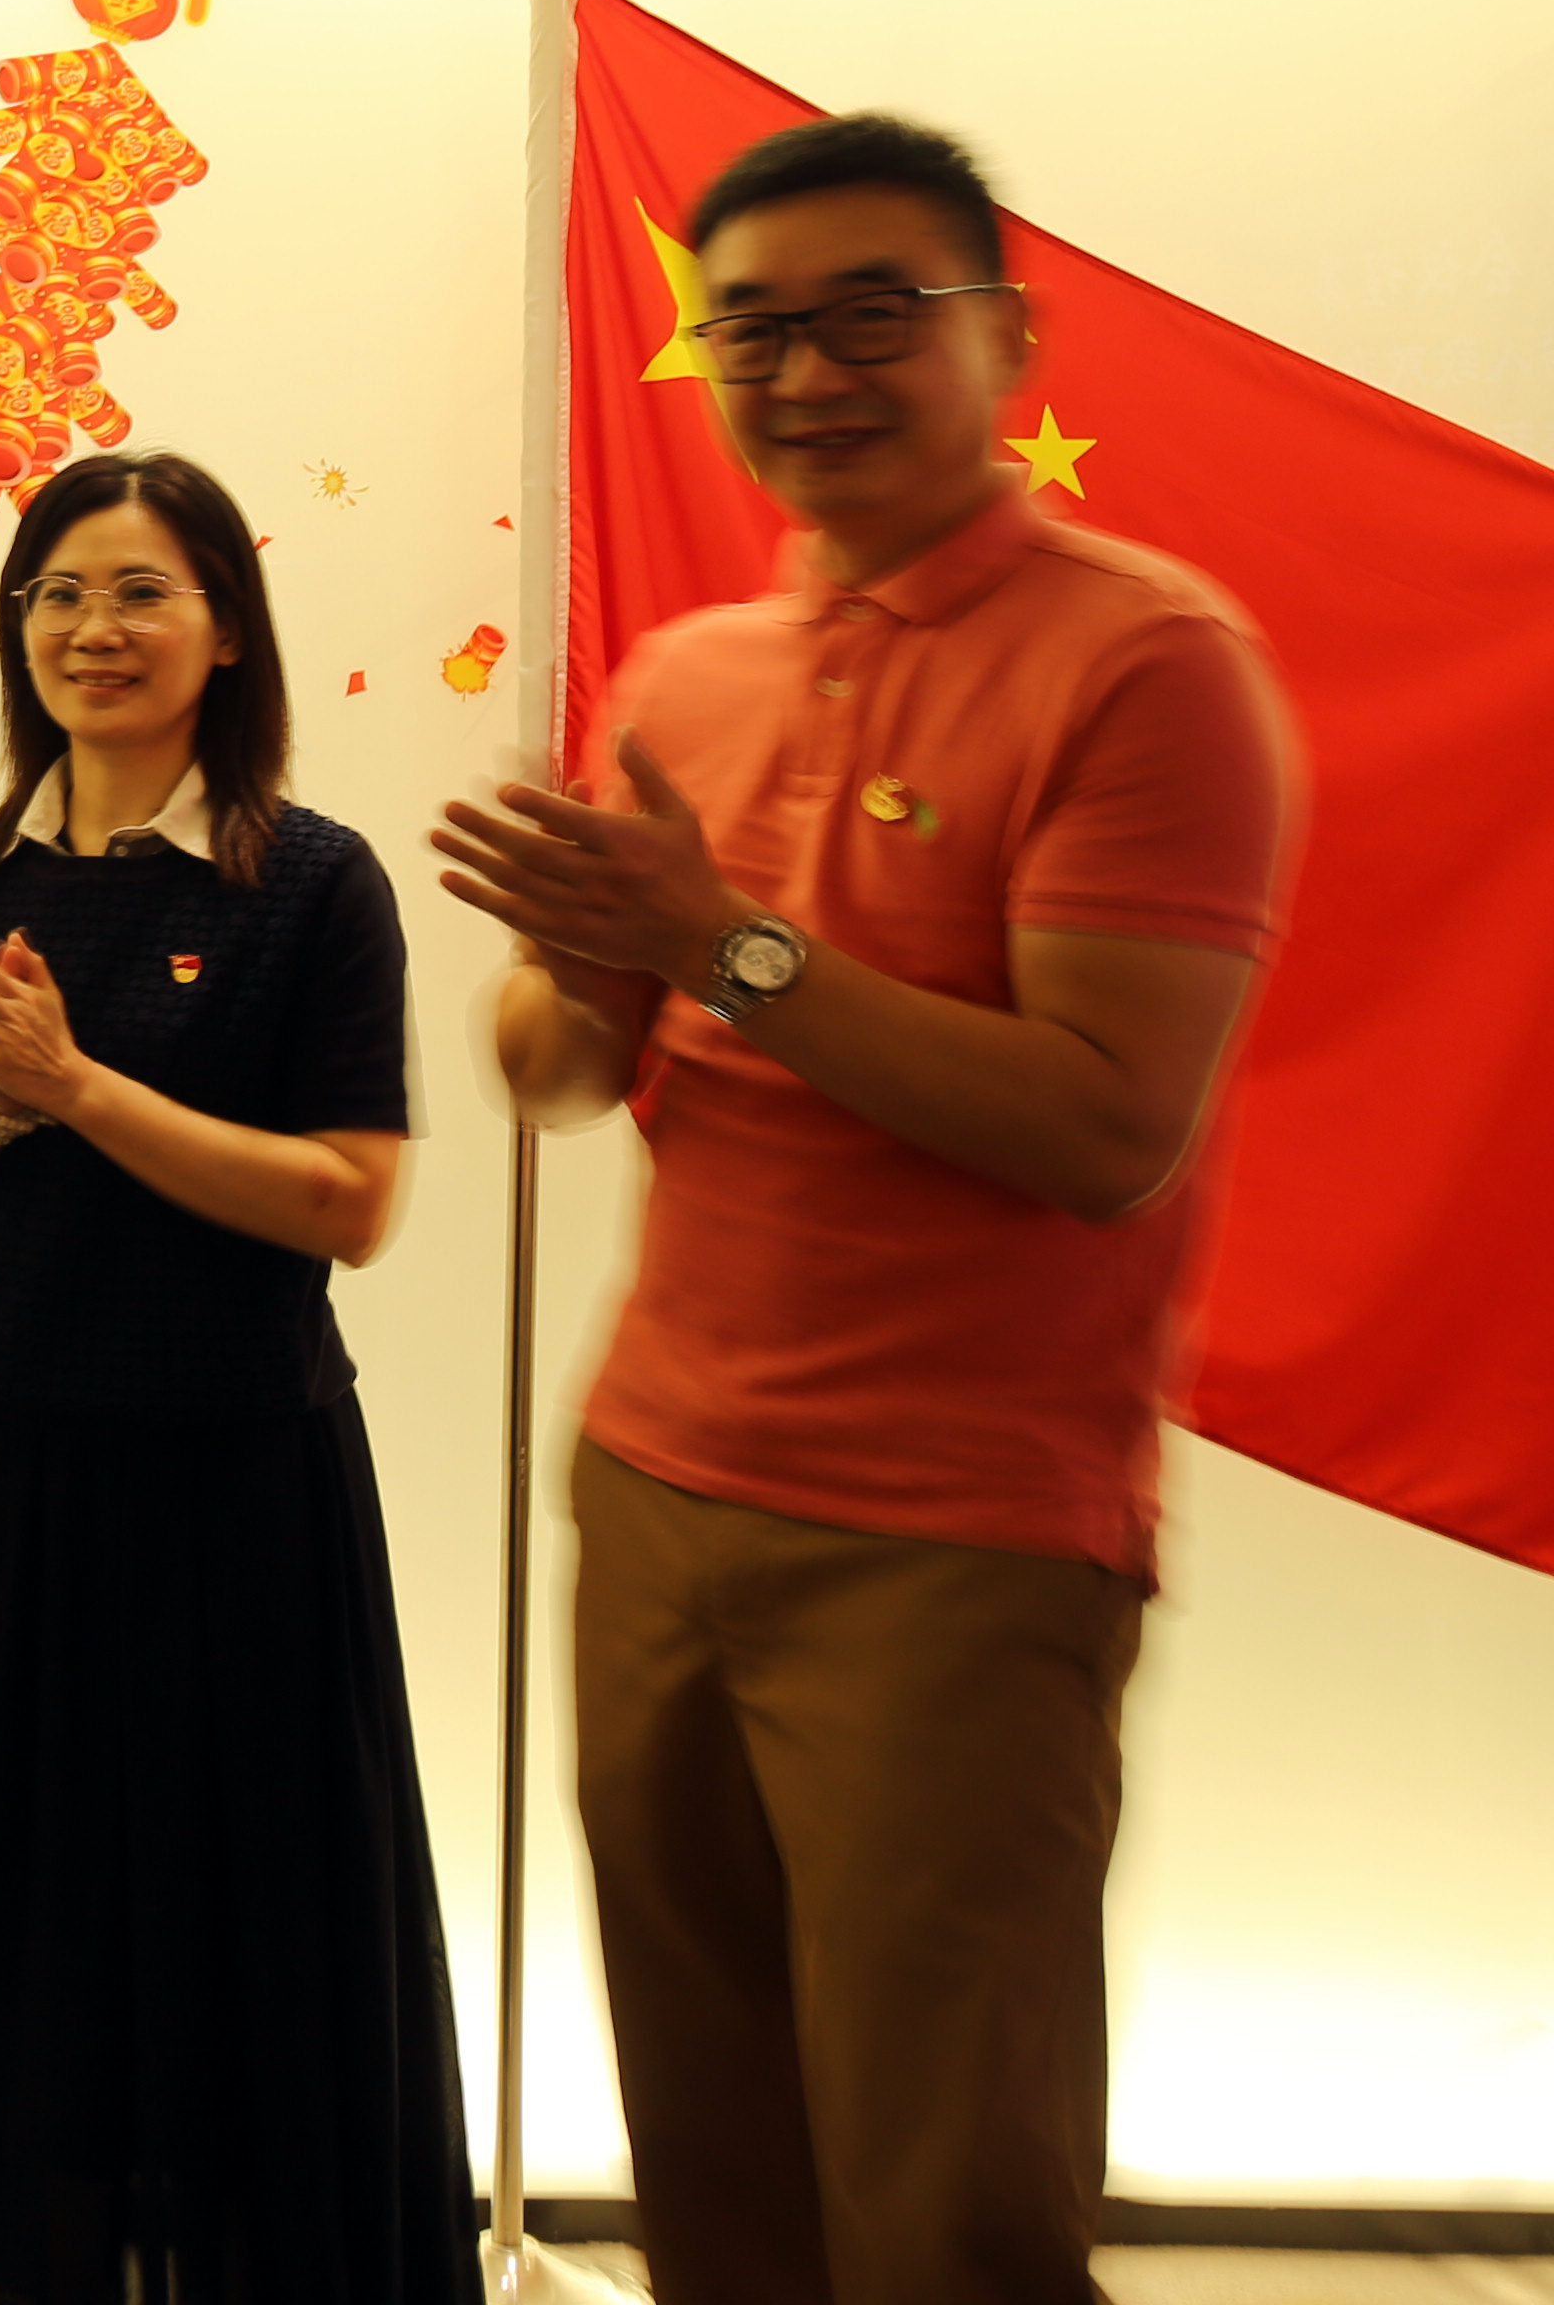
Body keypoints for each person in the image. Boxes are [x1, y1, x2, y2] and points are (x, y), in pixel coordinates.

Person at [435, 112, 1298, 2305]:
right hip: (654, 1483)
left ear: (1009, 339)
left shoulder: (1147, 664)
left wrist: (717, 943)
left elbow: (1105, 1125)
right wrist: (579, 967)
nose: (807, 372)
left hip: (958, 1530)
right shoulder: (688, 675)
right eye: (752, 330)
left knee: (946, 2199)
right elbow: (561, 1077)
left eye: (873, 314)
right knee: (714, 2155)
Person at [0, 449, 471, 2302]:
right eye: (57, 594)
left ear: (226, 632)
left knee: (245, 1926)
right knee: (29, 1930)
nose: (92, 630)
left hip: (232, 1483)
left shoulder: (312, 879)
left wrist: (77, 1087)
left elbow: (351, 1204)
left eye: (139, 593)